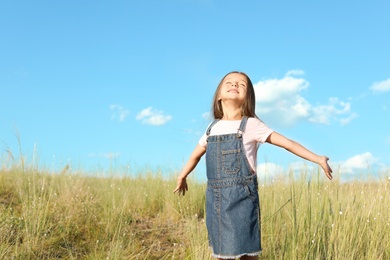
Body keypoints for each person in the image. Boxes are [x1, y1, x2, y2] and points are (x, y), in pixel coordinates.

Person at [173, 71, 333, 260]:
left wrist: (318, 158)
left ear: (248, 97)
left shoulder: (251, 125)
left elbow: (288, 143)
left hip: (242, 198)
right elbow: (195, 156)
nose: (235, 85)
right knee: (221, 253)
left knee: (247, 254)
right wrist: (182, 176)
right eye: (229, 82)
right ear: (218, 96)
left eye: (242, 84)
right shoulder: (211, 129)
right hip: (216, 200)